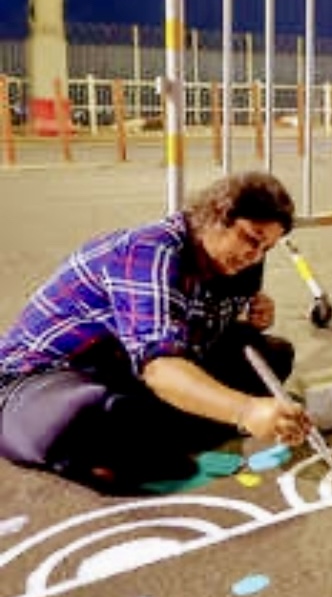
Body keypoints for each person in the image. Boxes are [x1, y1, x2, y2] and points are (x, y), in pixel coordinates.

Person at [0, 171, 313, 493]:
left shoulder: (238, 263)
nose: (255, 256)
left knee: (271, 356)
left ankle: (157, 431)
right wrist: (246, 410)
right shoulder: (149, 252)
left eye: (267, 248)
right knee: (95, 415)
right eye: (251, 238)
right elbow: (160, 365)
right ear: (217, 216)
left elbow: (196, 332)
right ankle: (146, 436)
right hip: (41, 380)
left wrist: (248, 320)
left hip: (123, 370)